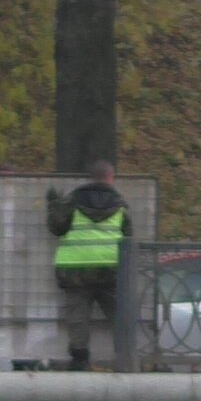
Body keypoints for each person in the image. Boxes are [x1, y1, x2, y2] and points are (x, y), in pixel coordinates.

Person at [46, 159, 133, 371]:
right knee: (118, 314)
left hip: (76, 269)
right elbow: (128, 237)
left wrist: (53, 205)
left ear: (91, 178)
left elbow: (57, 228)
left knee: (78, 317)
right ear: (111, 178)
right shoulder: (121, 204)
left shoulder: (72, 201)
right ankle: (126, 358)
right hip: (110, 268)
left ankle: (80, 359)